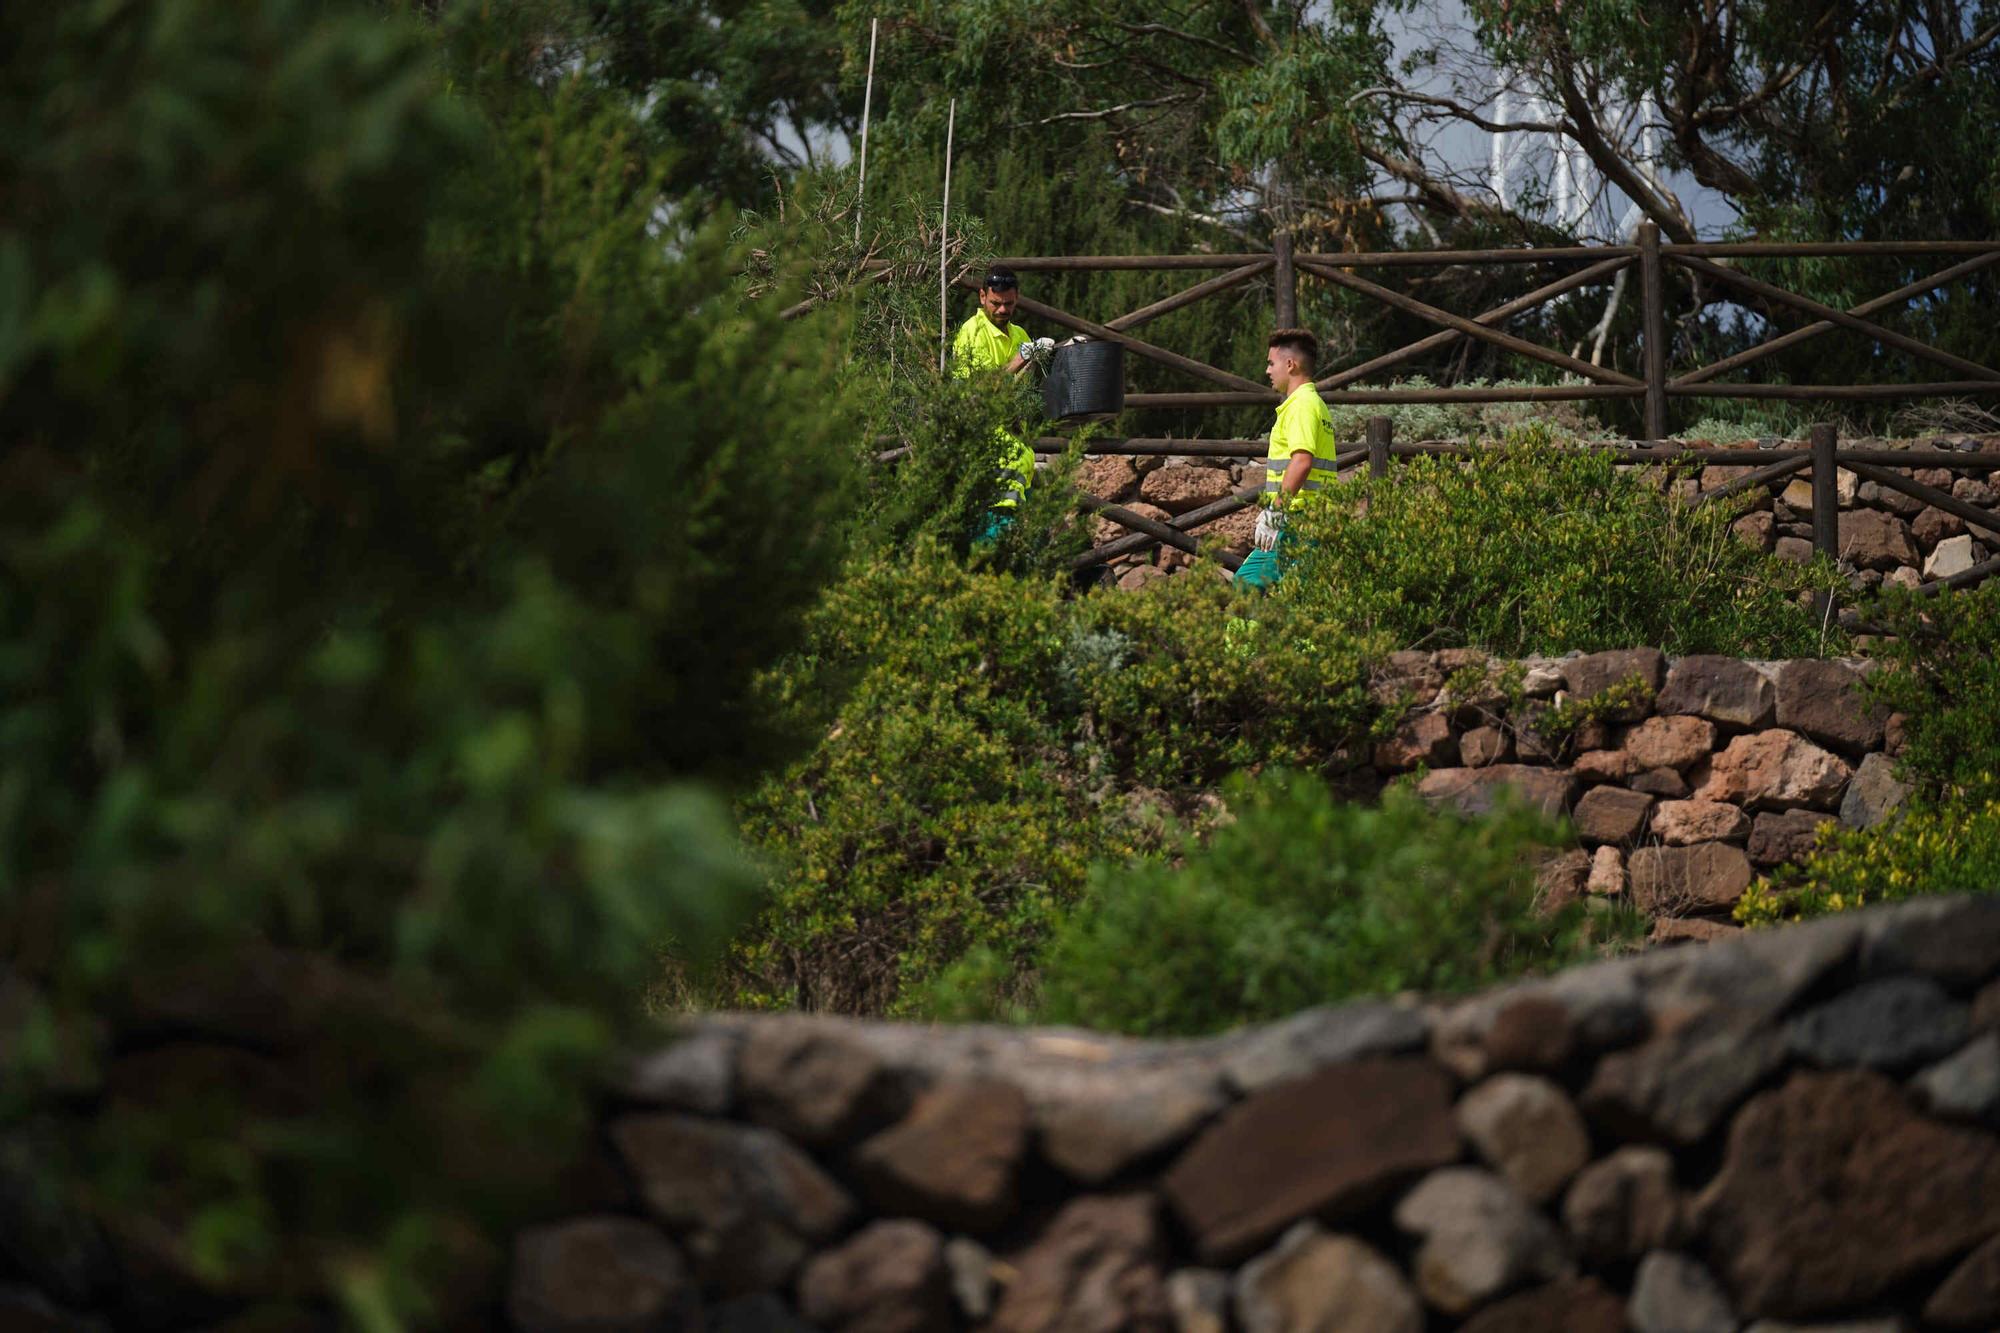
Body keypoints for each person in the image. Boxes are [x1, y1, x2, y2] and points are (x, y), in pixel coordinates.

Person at [951, 266, 1051, 541]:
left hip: (1012, 429)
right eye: (996, 303)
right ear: (982, 297)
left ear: (1017, 298)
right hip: (981, 427)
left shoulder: (1019, 333)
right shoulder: (972, 333)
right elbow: (981, 389)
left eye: (1009, 304)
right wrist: (1020, 360)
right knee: (999, 504)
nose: (1003, 310)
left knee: (1021, 485)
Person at [1235, 328, 1336, 592]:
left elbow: (1301, 461)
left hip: (1297, 517)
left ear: (1290, 364)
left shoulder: (1301, 405)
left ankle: (1246, 635)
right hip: (1310, 516)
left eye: (1271, 363)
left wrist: (1275, 512)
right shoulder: (1313, 404)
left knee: (1247, 584)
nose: (1268, 370)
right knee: (1293, 593)